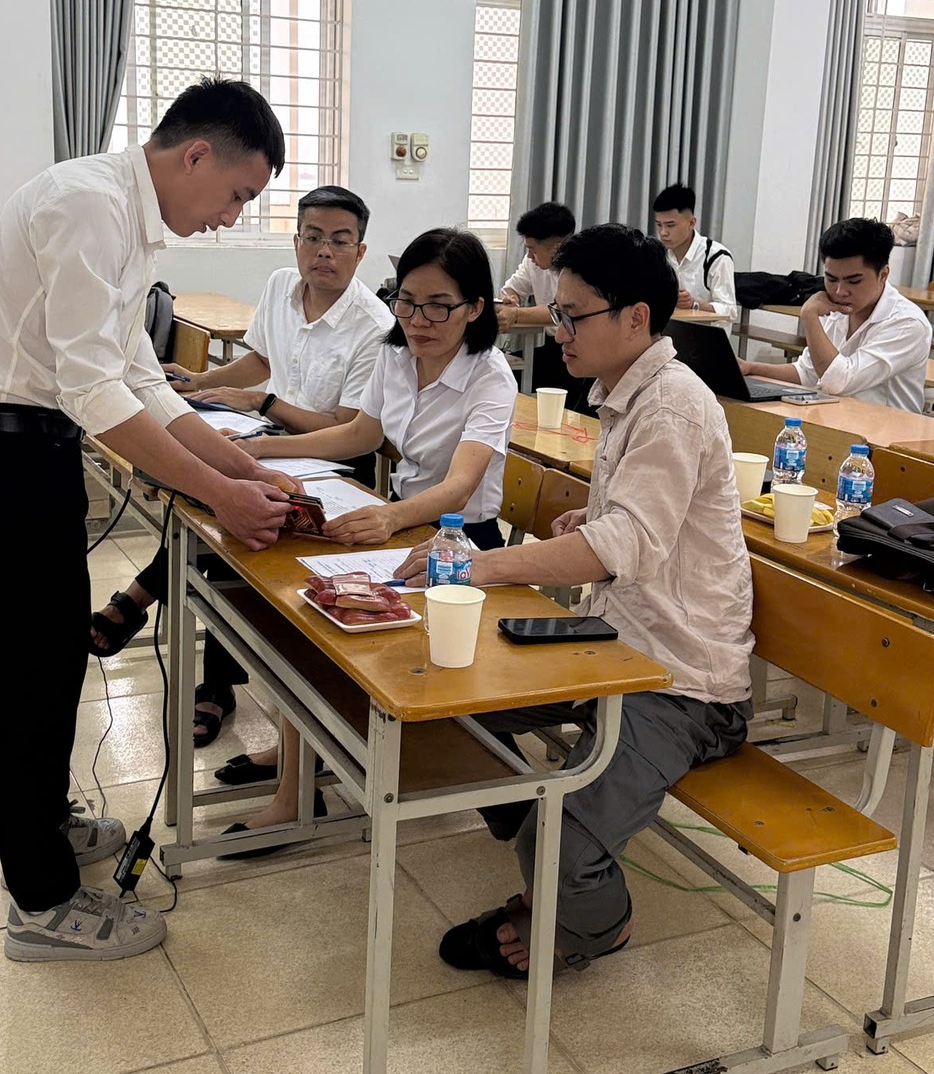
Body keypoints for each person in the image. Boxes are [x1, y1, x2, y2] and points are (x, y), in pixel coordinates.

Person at [0, 78, 297, 962]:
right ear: (196, 155)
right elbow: (95, 392)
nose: (230, 217)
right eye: (237, 194)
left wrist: (242, 468)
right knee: (26, 687)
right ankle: (41, 905)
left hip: (33, 461)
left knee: (54, 667)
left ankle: (46, 821)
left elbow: (139, 381)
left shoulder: (127, 224)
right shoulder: (87, 205)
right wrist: (217, 495)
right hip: (1, 466)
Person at [404, 223, 755, 976]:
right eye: (556, 312)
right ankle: (545, 854)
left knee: (560, 840)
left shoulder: (672, 406)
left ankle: (594, 924)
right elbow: (638, 528)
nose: (555, 329)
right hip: (612, 644)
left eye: (571, 315)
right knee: (452, 713)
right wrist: (592, 522)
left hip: (680, 682)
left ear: (635, 317)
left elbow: (628, 544)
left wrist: (482, 566)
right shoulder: (628, 393)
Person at [217, 226, 518, 850]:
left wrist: (391, 518)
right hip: (401, 526)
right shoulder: (396, 353)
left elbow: (460, 486)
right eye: (407, 301)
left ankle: (509, 798)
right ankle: (300, 765)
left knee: (333, 626)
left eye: (439, 306)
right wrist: (261, 449)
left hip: (462, 544)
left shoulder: (490, 376)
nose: (419, 320)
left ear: (475, 308)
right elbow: (360, 434)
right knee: (305, 609)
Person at [89, 184, 392, 750]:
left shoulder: (373, 326)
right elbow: (261, 359)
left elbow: (345, 427)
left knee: (232, 524)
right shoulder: (281, 286)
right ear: (296, 241)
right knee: (207, 504)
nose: (324, 252)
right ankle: (178, 643)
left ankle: (179, 647)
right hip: (270, 439)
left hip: (329, 460)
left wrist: (263, 407)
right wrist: (201, 382)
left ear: (361, 251)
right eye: (313, 237)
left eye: (339, 241)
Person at [748, 216, 932, 412]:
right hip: (837, 420)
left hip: (887, 429)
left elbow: (839, 382)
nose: (840, 291)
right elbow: (806, 373)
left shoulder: (908, 323)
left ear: (883, 275)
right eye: (831, 279)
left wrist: (809, 316)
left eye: (854, 281)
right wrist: (750, 368)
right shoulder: (838, 308)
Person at [496, 200, 576, 392]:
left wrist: (516, 314)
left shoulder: (579, 267)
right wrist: (510, 300)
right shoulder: (532, 262)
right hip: (553, 345)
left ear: (557, 247)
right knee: (503, 376)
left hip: (579, 347)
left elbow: (561, 312)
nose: (530, 256)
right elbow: (511, 288)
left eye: (533, 249)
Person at [652, 181, 737, 315]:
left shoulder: (716, 257)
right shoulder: (658, 255)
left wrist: (694, 304)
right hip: (669, 326)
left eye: (670, 225)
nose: (663, 232)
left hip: (703, 328)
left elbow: (730, 311)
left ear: (691, 223)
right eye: (659, 225)